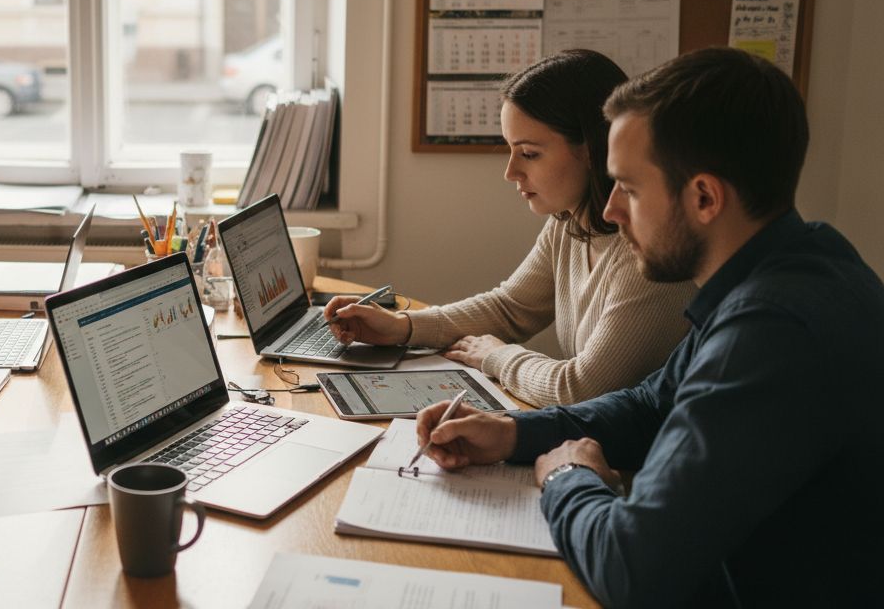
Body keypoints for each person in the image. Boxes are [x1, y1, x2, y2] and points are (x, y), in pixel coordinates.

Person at [415, 47, 884, 607]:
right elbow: (648, 405)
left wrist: (567, 476)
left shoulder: (771, 333)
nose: (610, 210)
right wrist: (514, 434)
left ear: (704, 197)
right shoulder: (800, 262)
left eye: (630, 189)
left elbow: (631, 569)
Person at [326, 50, 692, 407]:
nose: (511, 172)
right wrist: (402, 327)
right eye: (510, 150)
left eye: (529, 153)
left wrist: (496, 356)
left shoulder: (648, 254)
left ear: (593, 149)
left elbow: (580, 389)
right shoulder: (568, 223)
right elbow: (511, 308)